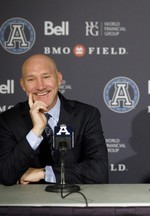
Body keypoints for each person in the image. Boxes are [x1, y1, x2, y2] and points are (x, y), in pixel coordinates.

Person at [0, 54, 108, 185]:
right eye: (31, 79)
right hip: (30, 203)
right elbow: (5, 175)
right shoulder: (8, 120)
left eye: (46, 77)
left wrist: (44, 173)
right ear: (23, 85)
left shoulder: (86, 115)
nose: (40, 86)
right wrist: (36, 131)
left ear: (59, 78)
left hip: (76, 200)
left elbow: (100, 172)